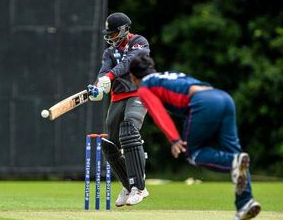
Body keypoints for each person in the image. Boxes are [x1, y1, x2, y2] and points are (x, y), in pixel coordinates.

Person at [128, 53, 261, 220]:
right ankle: (245, 203)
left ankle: (234, 164)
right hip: (223, 97)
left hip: (202, 102)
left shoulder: (145, 87)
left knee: (194, 153)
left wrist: (174, 139)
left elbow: (158, 113)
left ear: (133, 77)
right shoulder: (164, 76)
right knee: (237, 155)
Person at [87, 12, 151, 206]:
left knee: (129, 130)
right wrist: (98, 85)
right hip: (118, 97)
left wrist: (110, 77)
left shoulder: (139, 42)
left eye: (114, 33)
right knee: (109, 145)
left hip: (139, 93)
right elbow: (104, 71)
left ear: (124, 30)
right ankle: (128, 184)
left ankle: (138, 187)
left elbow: (130, 62)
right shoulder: (109, 52)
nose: (111, 37)